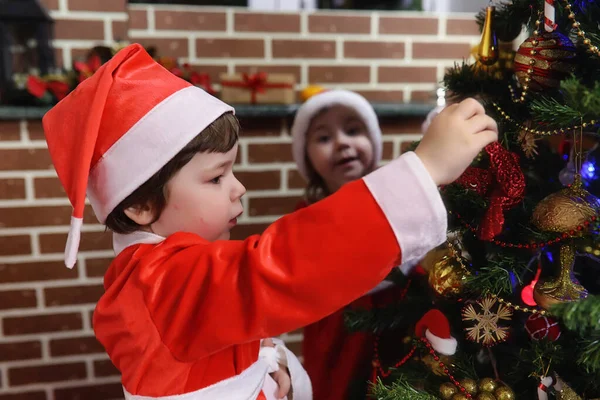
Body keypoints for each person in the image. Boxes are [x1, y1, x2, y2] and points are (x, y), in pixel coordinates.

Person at [42, 43, 497, 400]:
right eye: (217, 176)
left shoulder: (162, 274)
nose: (238, 188)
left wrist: (270, 363)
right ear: (140, 206)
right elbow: (280, 267)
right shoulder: (160, 282)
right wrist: (425, 170)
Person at [290, 88, 420, 399]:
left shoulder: (395, 199)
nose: (342, 143)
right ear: (306, 156)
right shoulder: (307, 217)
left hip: (398, 333)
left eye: (352, 130)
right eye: (323, 138)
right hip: (339, 341)